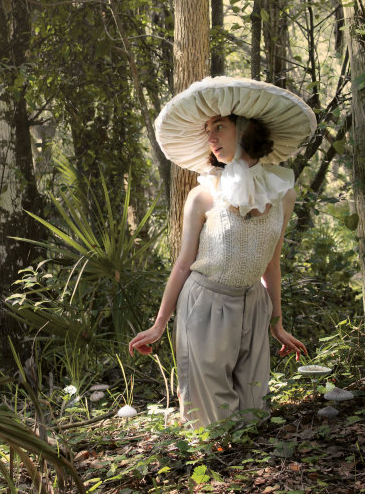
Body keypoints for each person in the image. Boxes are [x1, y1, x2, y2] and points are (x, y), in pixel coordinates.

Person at [128, 76, 317, 427]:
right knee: (212, 424)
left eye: (220, 127)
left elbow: (271, 264)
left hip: (254, 307)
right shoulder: (203, 195)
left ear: (245, 129)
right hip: (205, 305)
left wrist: (277, 322)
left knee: (254, 416)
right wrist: (158, 325)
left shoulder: (282, 193)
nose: (211, 137)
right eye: (207, 130)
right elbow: (183, 264)